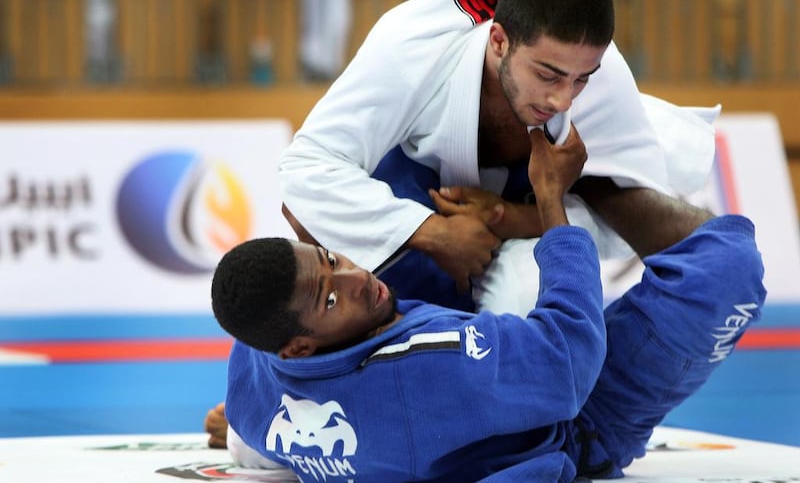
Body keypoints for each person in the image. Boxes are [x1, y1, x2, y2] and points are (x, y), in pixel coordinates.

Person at [209, 126, 766, 482]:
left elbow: (252, 437)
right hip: (572, 414)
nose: (356, 275)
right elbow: (568, 358)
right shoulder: (428, 366)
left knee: (398, 151)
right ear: (300, 345)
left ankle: (504, 203)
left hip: (447, 376)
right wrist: (553, 199)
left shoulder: (255, 384)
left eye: (330, 257)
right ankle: (595, 184)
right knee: (730, 266)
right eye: (330, 295)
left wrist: (237, 429)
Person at [277, 0, 718, 313]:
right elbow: (304, 169)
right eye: (549, 75)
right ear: (500, 42)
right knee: (307, 251)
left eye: (580, 80)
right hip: (405, 191)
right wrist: (431, 231)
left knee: (532, 298)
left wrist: (509, 218)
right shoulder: (410, 44)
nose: (564, 99)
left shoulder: (604, 80)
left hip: (532, 216)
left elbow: (624, 232)